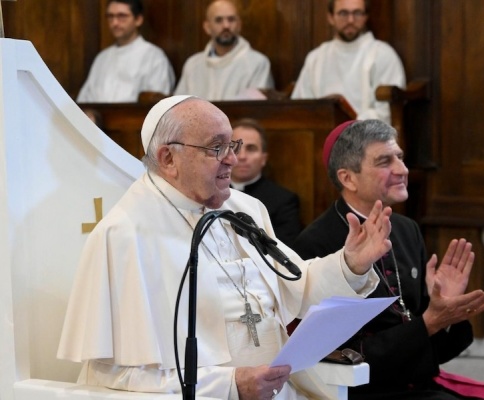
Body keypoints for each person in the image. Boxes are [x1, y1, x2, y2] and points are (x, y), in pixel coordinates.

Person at [57, 95, 393, 399]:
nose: (233, 159)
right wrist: (231, 386)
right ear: (168, 158)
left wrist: (350, 264)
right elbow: (115, 377)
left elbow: (298, 286)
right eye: (217, 148)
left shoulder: (246, 210)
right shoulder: (124, 235)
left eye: (232, 144)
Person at [292, 119, 484, 400]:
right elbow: (334, 356)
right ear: (348, 178)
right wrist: (429, 323)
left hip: (416, 380)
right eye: (384, 161)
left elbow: (437, 351)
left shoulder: (406, 229)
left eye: (400, 157)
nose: (402, 170)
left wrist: (447, 312)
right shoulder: (315, 243)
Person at [291, 0, 405, 124]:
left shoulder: (382, 54)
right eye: (343, 13)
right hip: (320, 138)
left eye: (357, 13)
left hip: (367, 139)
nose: (350, 20)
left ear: (365, 17)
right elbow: (300, 108)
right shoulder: (316, 57)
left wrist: (350, 123)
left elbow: (386, 112)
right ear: (330, 17)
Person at [76, 0, 175, 103]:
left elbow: (158, 103)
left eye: (121, 16)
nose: (115, 23)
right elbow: (85, 99)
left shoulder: (154, 57)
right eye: (110, 16)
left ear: (138, 20)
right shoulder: (102, 58)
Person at [174, 0, 274, 100]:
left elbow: (259, 110)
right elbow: (177, 107)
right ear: (207, 27)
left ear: (239, 25)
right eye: (218, 20)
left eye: (231, 19)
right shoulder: (192, 65)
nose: (226, 25)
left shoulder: (257, 63)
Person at [230, 118, 302, 246]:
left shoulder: (284, 201)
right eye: (235, 147)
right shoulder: (208, 193)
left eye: (251, 149)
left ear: (264, 158)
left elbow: (284, 248)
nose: (242, 156)